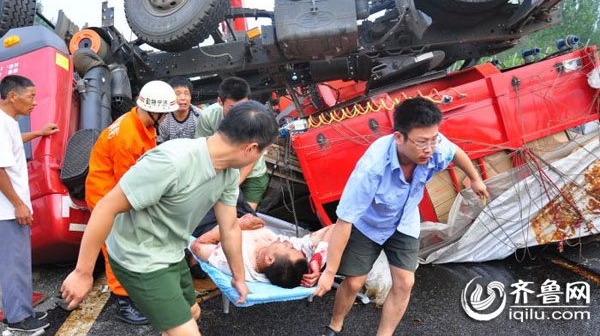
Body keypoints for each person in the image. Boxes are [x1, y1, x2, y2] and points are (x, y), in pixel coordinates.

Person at [61, 100, 279, 336]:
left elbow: (229, 229)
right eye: (262, 152)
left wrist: (239, 278)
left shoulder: (227, 173)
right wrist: (83, 273)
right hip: (138, 258)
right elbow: (105, 208)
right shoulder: (172, 162)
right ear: (250, 148)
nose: (259, 158)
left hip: (171, 252)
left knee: (192, 313)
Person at [313, 97, 489, 336]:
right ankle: (335, 325)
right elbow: (344, 222)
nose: (429, 148)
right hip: (369, 224)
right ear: (399, 137)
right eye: (421, 142)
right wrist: (329, 273)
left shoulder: (434, 147)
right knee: (354, 282)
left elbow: (455, 151)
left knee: (405, 282)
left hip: (404, 219)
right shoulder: (372, 168)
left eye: (433, 140)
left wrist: (476, 178)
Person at [85, 80, 178, 325]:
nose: (167, 119)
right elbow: (129, 184)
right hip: (106, 195)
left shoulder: (140, 122)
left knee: (131, 240)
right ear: (154, 111)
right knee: (116, 247)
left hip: (112, 189)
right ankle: (123, 299)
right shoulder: (127, 136)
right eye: (165, 114)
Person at [0, 75, 59, 333]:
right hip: (7, 210)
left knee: (21, 263)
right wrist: (18, 204)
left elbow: (12, 144)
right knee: (14, 265)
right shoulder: (1, 123)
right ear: (13, 96)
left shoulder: (9, 122)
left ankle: (23, 311)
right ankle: (18, 322)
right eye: (31, 96)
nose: (34, 101)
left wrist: (37, 132)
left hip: (11, 208)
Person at [196, 77, 269, 210]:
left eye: (243, 107)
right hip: (220, 174)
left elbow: (252, 159)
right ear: (220, 101)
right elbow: (202, 150)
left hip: (251, 175)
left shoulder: (254, 118)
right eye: (233, 108)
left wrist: (231, 187)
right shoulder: (208, 117)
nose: (239, 113)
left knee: (245, 217)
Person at [191, 224, 333, 288]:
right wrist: (318, 259)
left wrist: (239, 224)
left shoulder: (236, 261)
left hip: (215, 222)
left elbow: (197, 246)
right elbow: (334, 228)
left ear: (269, 259)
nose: (288, 242)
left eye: (287, 247)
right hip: (247, 215)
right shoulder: (291, 257)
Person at [157, 76, 202, 144]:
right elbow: (158, 143)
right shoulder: (163, 118)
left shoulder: (199, 116)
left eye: (186, 93)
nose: (183, 98)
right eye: (177, 94)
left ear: (190, 97)